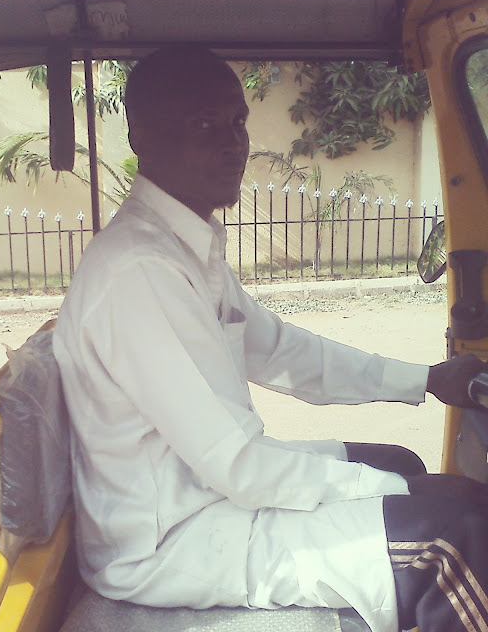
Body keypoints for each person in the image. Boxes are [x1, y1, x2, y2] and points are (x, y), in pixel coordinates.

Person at [53, 45, 488, 632]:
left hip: (203, 492)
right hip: (173, 539)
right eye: (203, 125)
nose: (232, 143)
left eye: (237, 122)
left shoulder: (183, 245)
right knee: (453, 542)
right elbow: (240, 465)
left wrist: (426, 381)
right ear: (141, 136)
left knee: (402, 462)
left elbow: (281, 352)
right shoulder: (141, 272)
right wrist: (392, 494)